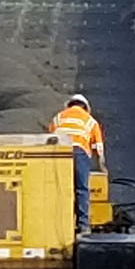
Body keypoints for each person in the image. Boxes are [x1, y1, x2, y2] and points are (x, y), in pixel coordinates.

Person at [48, 93, 106, 233]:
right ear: (85, 107)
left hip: (59, 153)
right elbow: (98, 148)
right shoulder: (90, 121)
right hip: (79, 152)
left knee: (58, 188)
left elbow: (49, 138)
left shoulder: (58, 118)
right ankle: (83, 225)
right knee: (81, 188)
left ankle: (57, 223)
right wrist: (102, 168)